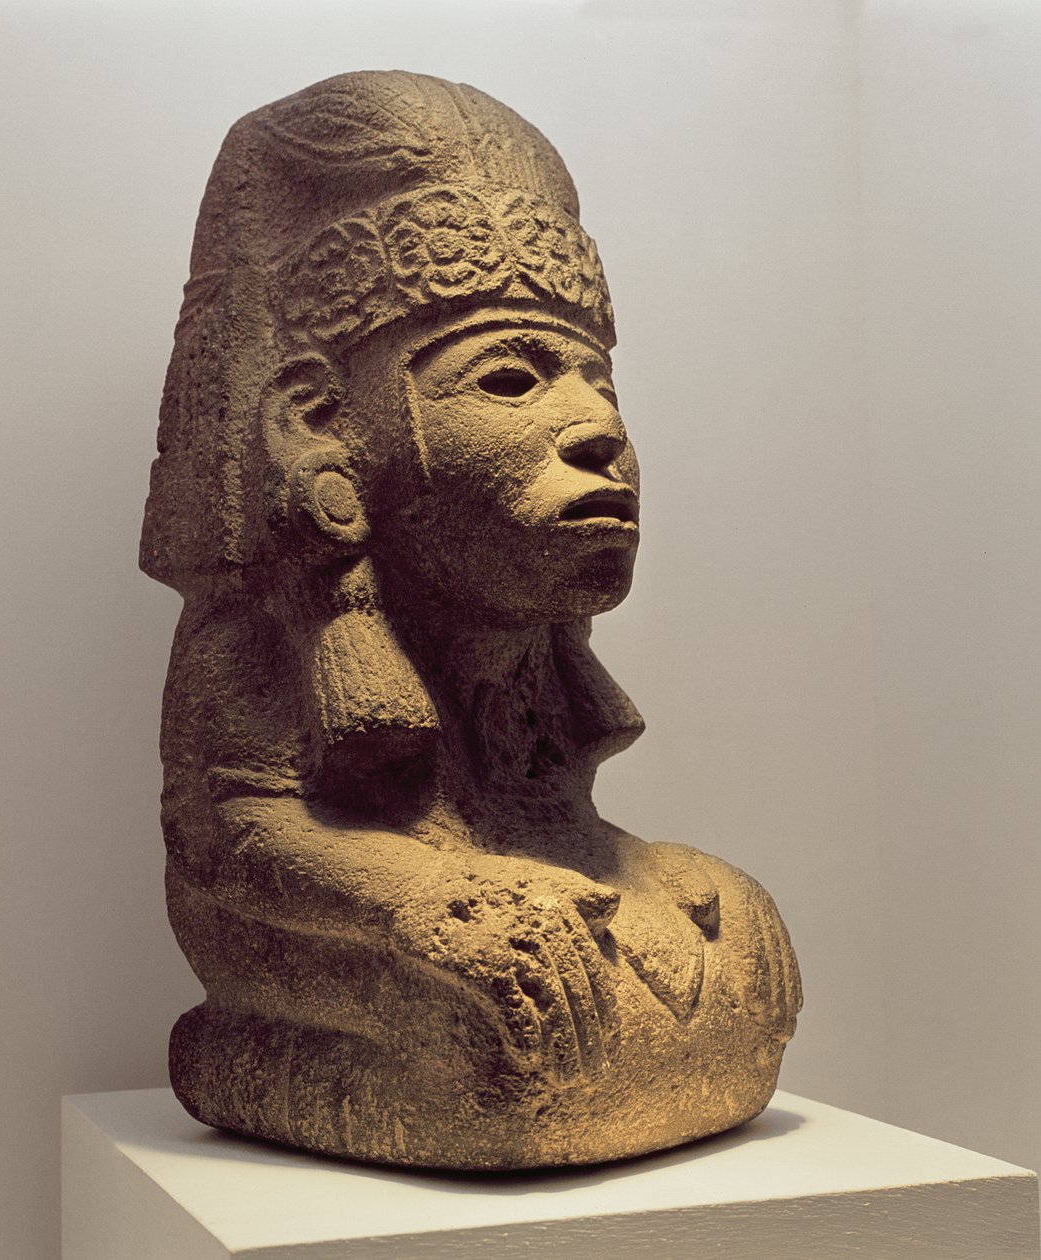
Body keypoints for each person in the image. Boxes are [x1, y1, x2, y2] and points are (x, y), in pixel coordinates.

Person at [141, 71, 800, 1168]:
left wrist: (655, 871)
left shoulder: (519, 642)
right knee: (496, 1048)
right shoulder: (259, 637)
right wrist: (423, 902)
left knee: (719, 942)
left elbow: (546, 824)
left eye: (598, 384)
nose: (596, 429)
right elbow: (231, 846)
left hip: (502, 899)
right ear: (322, 428)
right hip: (342, 929)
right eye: (507, 381)